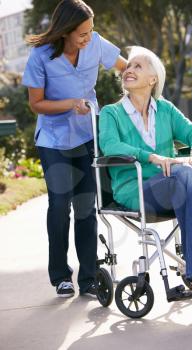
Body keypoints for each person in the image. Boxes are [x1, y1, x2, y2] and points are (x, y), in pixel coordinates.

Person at [99, 46, 192, 291]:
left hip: (174, 185)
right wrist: (151, 157)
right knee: (182, 174)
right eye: (128, 66)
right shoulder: (111, 113)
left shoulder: (166, 109)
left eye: (137, 66)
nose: (128, 69)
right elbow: (109, 145)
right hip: (135, 189)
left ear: (153, 79)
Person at [22, 0, 127, 298]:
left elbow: (125, 68)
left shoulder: (95, 43)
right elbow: (36, 104)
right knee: (59, 206)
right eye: (82, 32)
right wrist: (70, 104)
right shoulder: (41, 55)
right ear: (66, 31)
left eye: (91, 31)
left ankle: (90, 278)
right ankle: (60, 276)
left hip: (86, 136)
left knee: (85, 206)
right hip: (54, 141)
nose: (87, 37)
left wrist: (136, 87)